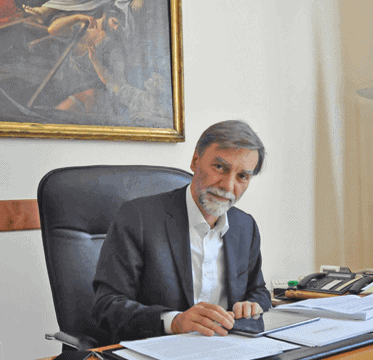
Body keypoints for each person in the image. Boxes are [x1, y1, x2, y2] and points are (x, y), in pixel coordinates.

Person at [92, 120, 272, 341]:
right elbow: (106, 306)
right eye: (219, 167)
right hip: (160, 349)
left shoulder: (245, 226)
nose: (228, 186)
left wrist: (252, 305)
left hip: (229, 348)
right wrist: (174, 322)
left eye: (242, 176)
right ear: (195, 160)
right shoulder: (138, 218)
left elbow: (259, 291)